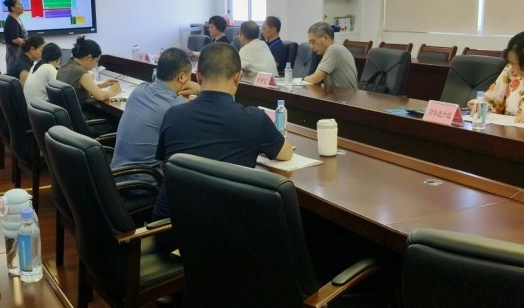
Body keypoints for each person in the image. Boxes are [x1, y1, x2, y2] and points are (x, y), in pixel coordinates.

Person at [151, 43, 293, 252]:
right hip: (223, 240)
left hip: (168, 232)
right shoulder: (254, 119)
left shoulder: (173, 114)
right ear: (238, 77)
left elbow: (166, 164)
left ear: (198, 77)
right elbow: (286, 153)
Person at [110, 48, 200, 185]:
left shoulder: (139, 90)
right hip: (145, 184)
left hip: (116, 177)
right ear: (182, 77)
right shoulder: (176, 108)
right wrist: (200, 89)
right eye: (189, 76)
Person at [56, 36, 122, 106]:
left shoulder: (64, 67)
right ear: (89, 57)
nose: (96, 65)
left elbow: (81, 89)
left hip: (64, 111)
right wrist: (112, 91)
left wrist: (103, 85)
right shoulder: (81, 72)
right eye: (96, 61)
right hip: (81, 111)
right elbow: (101, 96)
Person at [303, 22, 358, 90]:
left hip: (344, 96)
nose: (312, 47)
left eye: (313, 42)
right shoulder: (338, 48)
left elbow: (315, 79)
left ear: (325, 38)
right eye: (310, 43)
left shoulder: (333, 49)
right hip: (340, 95)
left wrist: (304, 78)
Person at [3, 0, 28, 71]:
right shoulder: (11, 21)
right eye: (19, 4)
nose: (22, 6)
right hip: (15, 57)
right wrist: (29, 43)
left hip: (20, 55)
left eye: (22, 4)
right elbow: (15, 39)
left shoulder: (16, 18)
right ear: (12, 8)